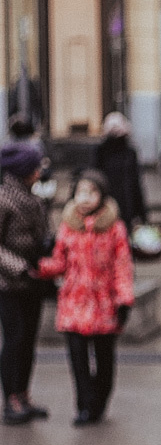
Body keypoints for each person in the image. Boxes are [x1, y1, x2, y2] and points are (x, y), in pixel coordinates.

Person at [39, 169, 134, 425]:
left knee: (104, 363)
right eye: (81, 192)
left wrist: (124, 299)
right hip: (74, 303)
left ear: (102, 196)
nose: (85, 198)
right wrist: (39, 265)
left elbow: (122, 266)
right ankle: (84, 406)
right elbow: (59, 263)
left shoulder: (114, 228)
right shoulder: (68, 226)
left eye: (91, 192)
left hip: (104, 304)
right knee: (78, 363)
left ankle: (99, 400)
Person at [0, 139, 50, 426]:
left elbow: (41, 234)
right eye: (36, 166)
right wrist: (20, 268)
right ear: (23, 170)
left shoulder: (35, 197)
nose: (40, 170)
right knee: (15, 340)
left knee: (29, 341)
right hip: (9, 284)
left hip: (35, 281)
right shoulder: (4, 198)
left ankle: (24, 394)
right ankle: (10, 400)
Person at [95, 112, 149, 233]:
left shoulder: (130, 152)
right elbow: (95, 178)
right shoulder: (101, 151)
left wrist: (142, 214)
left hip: (125, 206)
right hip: (106, 206)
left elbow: (136, 183)